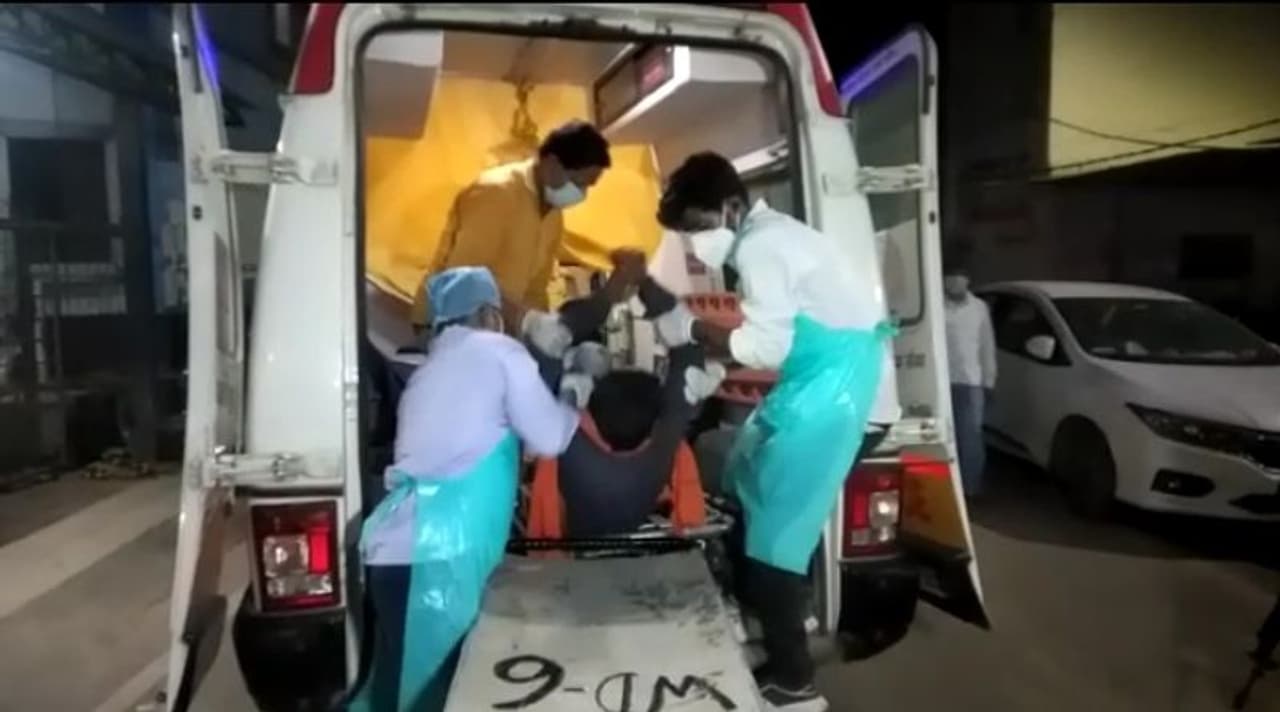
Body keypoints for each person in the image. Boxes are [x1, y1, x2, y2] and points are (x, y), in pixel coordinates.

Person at [652, 152, 898, 712]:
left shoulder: (762, 246)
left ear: (730, 206)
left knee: (775, 537)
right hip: (824, 385)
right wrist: (714, 367)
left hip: (843, 401)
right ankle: (781, 611)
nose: (694, 244)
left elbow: (765, 345)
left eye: (696, 227)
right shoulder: (769, 237)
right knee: (746, 478)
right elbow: (781, 329)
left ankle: (794, 683)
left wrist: (691, 329)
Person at [351, 266, 580, 712]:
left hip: (397, 556)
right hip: (438, 563)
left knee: (393, 691)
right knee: (433, 699)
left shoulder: (430, 371)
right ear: (488, 314)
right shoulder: (497, 351)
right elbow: (550, 437)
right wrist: (574, 391)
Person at [523, 280, 726, 539]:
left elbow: (547, 343)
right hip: (633, 519)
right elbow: (688, 365)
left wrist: (606, 299)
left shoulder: (568, 444)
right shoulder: (663, 444)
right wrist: (657, 296)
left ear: (588, 411)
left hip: (575, 534)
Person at [411, 120, 622, 358]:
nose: (582, 194)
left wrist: (544, 332)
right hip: (447, 325)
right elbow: (463, 281)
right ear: (552, 164)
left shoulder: (553, 216)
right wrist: (527, 320)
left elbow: (535, 291)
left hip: (494, 332)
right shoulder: (495, 194)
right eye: (580, 183)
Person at [943, 263, 996, 498]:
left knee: (971, 437)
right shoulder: (935, 306)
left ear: (968, 280)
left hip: (970, 381)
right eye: (951, 276)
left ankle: (970, 489)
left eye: (960, 276)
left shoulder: (979, 308)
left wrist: (989, 380)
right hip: (942, 380)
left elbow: (987, 345)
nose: (955, 281)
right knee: (945, 437)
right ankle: (947, 488)